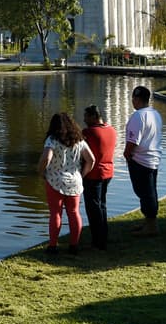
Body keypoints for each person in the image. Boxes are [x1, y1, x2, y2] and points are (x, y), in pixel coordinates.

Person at [37, 112, 95, 254]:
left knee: (55, 214)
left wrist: (40, 171)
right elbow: (91, 159)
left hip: (55, 180)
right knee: (74, 213)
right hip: (74, 181)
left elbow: (46, 158)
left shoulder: (52, 139)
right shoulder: (79, 140)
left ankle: (52, 246)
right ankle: (74, 245)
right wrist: (82, 175)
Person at [123, 84, 162, 235]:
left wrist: (127, 155)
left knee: (145, 193)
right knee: (150, 192)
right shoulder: (155, 114)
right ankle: (149, 222)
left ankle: (151, 226)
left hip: (140, 160)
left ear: (137, 99)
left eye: (133, 98)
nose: (132, 101)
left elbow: (133, 141)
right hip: (153, 158)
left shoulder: (138, 116)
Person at [81, 104, 117, 250]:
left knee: (93, 208)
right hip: (108, 172)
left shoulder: (88, 133)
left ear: (94, 117)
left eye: (86, 117)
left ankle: (98, 241)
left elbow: (81, 153)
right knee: (102, 205)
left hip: (93, 174)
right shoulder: (112, 130)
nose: (84, 120)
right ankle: (103, 236)